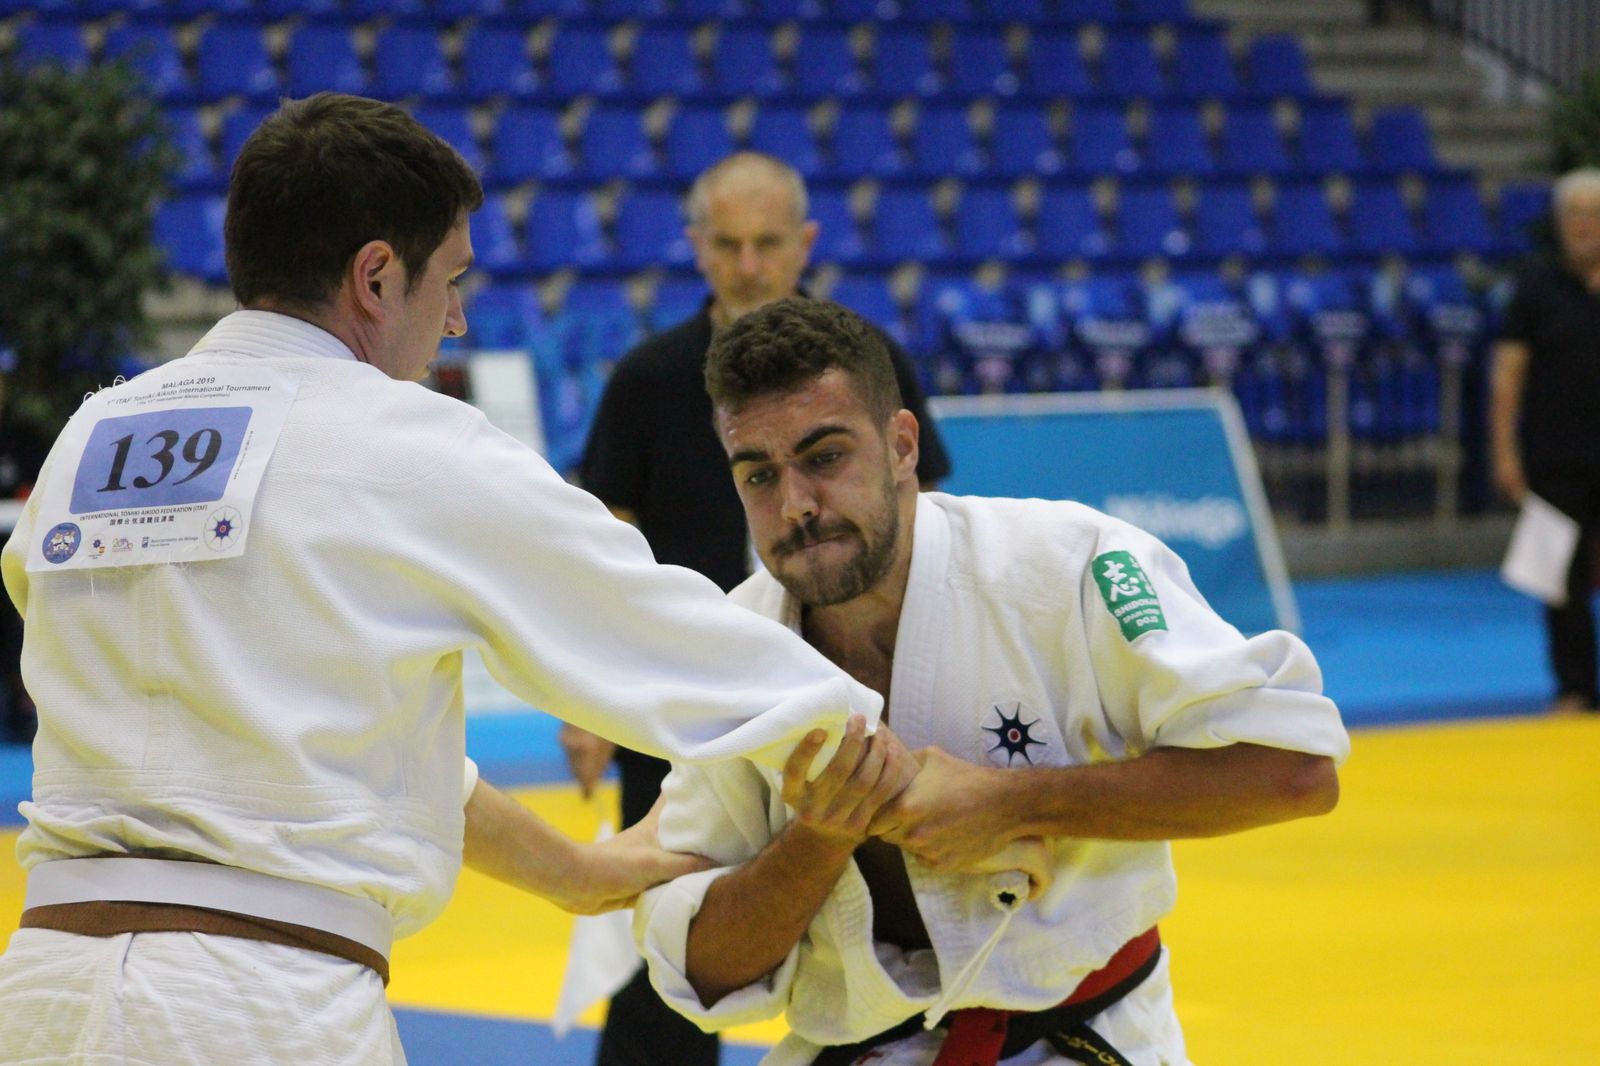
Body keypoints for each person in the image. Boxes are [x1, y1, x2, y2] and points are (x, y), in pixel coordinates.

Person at [0, 95, 892, 1066]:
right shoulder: (404, 441)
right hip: (258, 1009)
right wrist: (894, 747)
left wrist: (576, 869)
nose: (457, 318)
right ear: (376, 276)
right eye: (450, 280)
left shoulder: (96, 436)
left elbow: (300, 734)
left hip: (43, 991)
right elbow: (669, 641)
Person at [633, 298, 1350, 1066]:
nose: (796, 504)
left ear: (903, 444)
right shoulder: (734, 650)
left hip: (1085, 1037)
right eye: (759, 475)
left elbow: (1295, 771)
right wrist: (822, 835)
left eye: (826, 457)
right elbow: (703, 969)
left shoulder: (1069, 566)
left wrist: (1010, 803)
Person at [568, 151, 952, 1066]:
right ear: (696, 246)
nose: (747, 264)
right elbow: (600, 555)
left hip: (856, 686)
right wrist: (579, 705)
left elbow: (925, 514)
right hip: (678, 708)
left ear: (805, 243)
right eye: (727, 243)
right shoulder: (648, 380)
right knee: (670, 934)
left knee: (887, 921)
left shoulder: (869, 361)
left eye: (767, 243)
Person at [1492, 167, 1600, 715]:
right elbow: (1508, 375)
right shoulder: (1536, 288)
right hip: (1556, 457)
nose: (1583, 225)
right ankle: (1575, 688)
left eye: (1593, 215)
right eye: (1573, 215)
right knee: (1561, 581)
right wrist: (1505, 451)